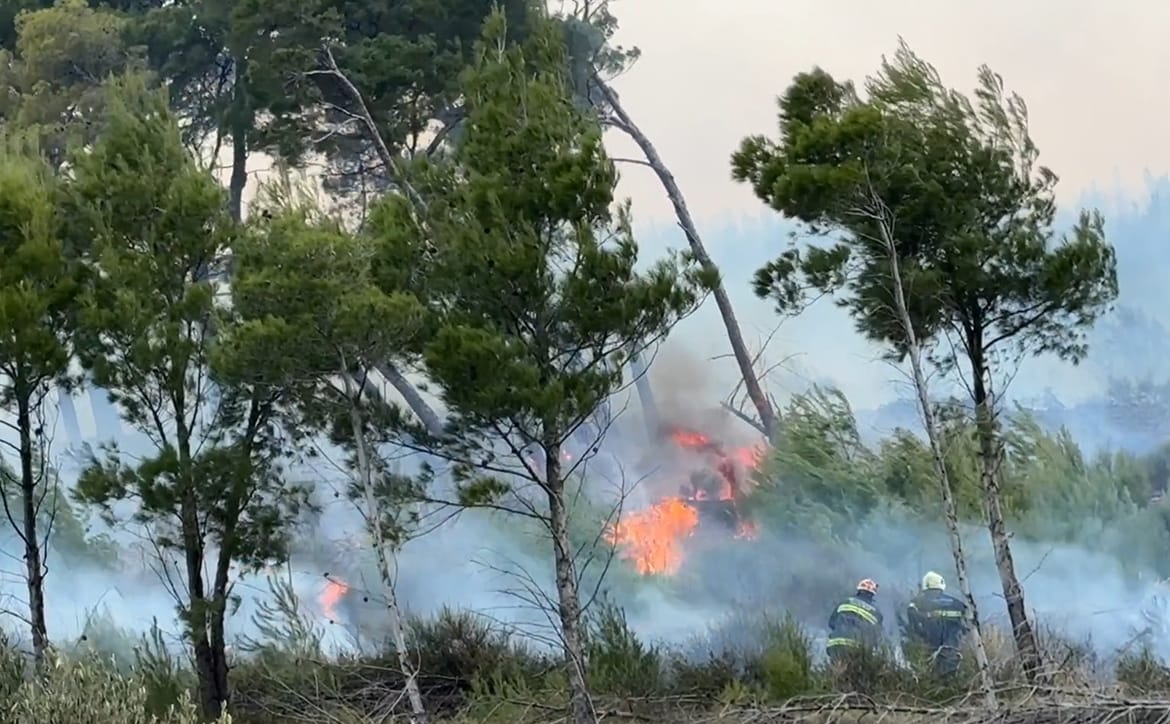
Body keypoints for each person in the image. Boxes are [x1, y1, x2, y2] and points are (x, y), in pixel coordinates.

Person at [905, 571, 968, 676]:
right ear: (941, 584)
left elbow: (911, 618)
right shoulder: (957, 603)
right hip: (953, 647)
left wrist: (919, 633)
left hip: (928, 646)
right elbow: (968, 622)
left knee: (929, 675)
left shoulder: (918, 602)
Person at [826, 578, 884, 661]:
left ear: (858, 590)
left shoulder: (845, 601)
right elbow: (877, 637)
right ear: (872, 595)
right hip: (856, 649)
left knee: (836, 670)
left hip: (835, 644)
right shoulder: (876, 612)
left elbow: (831, 623)